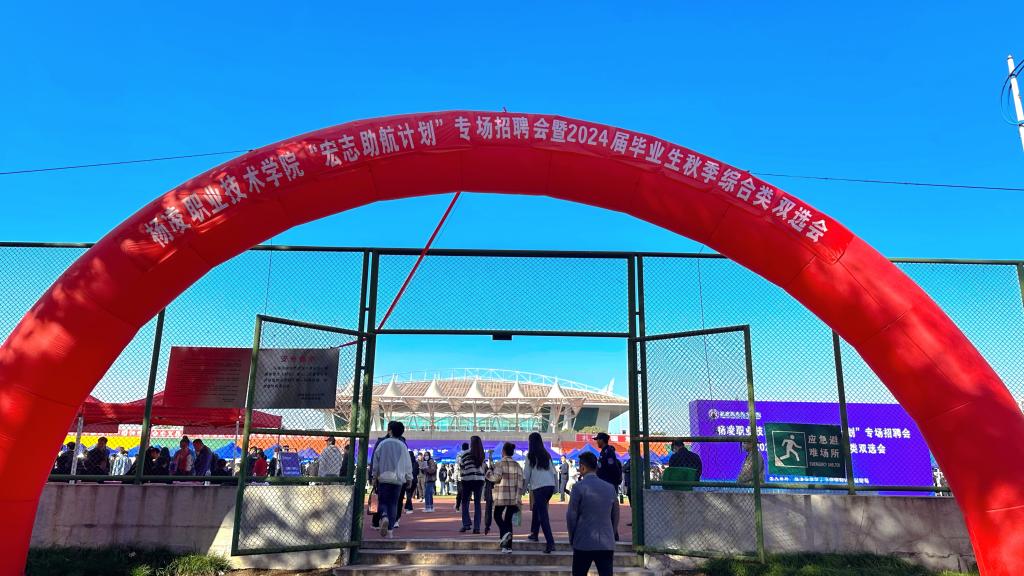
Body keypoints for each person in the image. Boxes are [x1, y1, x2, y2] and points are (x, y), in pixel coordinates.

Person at [567, 452, 620, 576]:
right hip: (606, 541)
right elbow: (616, 514)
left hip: (583, 541)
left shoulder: (578, 487)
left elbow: (571, 516)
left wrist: (572, 536)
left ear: (583, 467)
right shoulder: (610, 488)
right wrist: (611, 532)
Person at [371, 421, 413, 538]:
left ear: (390, 431)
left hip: (383, 478)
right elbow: (407, 464)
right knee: (394, 504)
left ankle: (384, 516)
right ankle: (390, 530)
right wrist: (409, 478)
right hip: (398, 479)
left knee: (383, 501)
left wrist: (374, 476)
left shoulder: (382, 443)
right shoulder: (403, 446)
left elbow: (375, 461)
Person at [488, 442, 525, 554]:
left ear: (503, 451)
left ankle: (504, 535)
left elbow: (496, 478)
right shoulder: (517, 465)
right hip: (514, 497)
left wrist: (488, 473)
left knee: (497, 515)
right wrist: (519, 496)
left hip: (502, 496)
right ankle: (508, 546)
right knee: (508, 520)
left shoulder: (500, 464)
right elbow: (521, 482)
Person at [524, 432, 557, 553]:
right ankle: (534, 533)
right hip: (549, 486)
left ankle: (550, 543)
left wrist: (522, 490)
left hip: (539, 488)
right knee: (537, 508)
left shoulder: (530, 456)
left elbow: (526, 475)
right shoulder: (547, 455)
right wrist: (556, 487)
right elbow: (554, 472)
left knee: (543, 515)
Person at [459, 436, 486, 533]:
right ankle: (477, 527)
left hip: (467, 479)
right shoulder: (482, 454)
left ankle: (466, 524)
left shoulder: (465, 453)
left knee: (465, 502)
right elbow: (483, 467)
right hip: (479, 480)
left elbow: (462, 466)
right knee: (477, 503)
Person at [454, 442, 468, 512]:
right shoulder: (469, 455)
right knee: (465, 493)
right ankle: (463, 506)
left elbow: (456, 467)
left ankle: (458, 506)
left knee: (460, 493)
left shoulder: (459, 455)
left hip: (461, 477)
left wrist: (455, 478)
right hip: (467, 477)